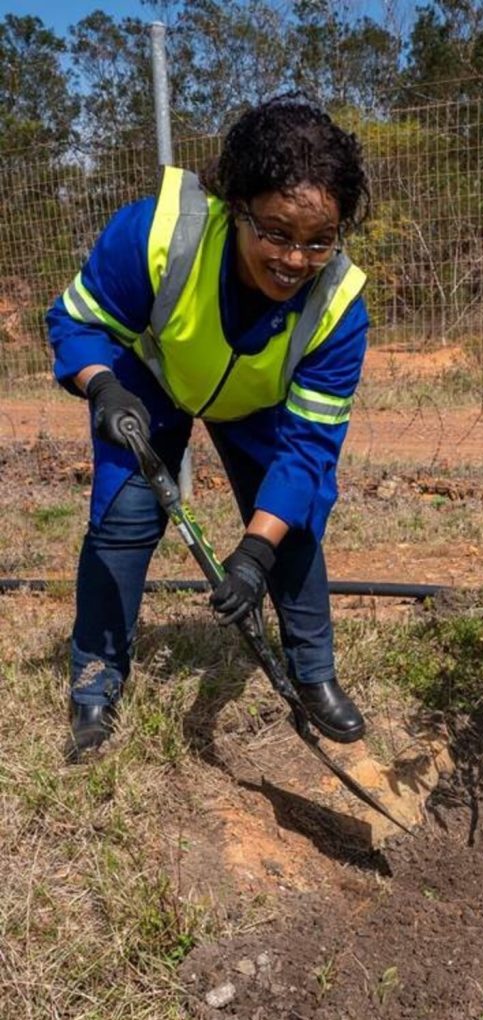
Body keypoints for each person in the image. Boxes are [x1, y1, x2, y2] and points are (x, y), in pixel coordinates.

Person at [47, 94, 371, 759]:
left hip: (260, 404)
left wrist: (254, 553)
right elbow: (77, 321)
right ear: (235, 206)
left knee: (293, 527)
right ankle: (96, 677)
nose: (294, 259)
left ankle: (312, 674)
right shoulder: (158, 234)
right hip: (151, 380)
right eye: (276, 231)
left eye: (318, 240)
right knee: (122, 522)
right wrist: (101, 387)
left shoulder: (339, 305)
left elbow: (307, 451)